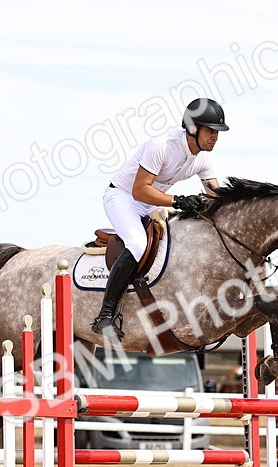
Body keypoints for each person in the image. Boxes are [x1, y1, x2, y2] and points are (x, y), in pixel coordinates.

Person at [91, 97, 228, 340]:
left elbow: (214, 193)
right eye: (210, 131)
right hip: (123, 198)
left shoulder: (204, 159)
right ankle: (105, 314)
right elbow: (140, 190)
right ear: (193, 128)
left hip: (153, 203)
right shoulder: (161, 146)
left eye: (217, 132)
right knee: (137, 243)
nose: (215, 137)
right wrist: (177, 201)